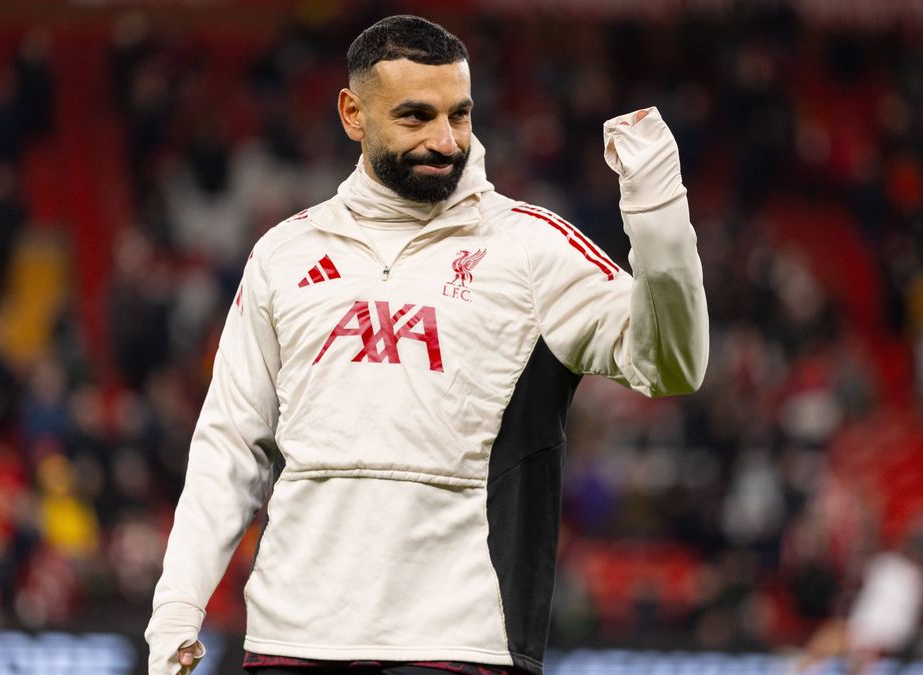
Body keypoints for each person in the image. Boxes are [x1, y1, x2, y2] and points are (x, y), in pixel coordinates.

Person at [145, 14, 708, 675]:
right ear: (353, 114)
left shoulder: (533, 249)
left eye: (459, 115)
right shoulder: (284, 254)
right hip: (292, 640)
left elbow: (672, 364)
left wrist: (657, 211)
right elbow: (231, 445)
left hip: (461, 644)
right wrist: (178, 606)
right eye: (415, 117)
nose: (445, 140)